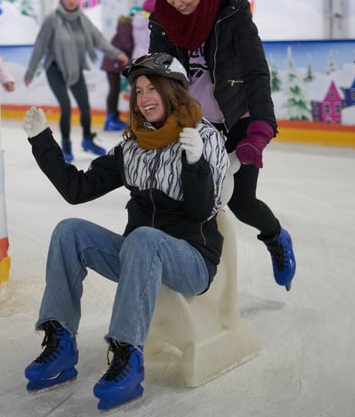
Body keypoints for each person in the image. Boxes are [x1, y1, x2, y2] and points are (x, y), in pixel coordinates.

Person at [20, 52, 229, 411]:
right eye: (138, 90)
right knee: (69, 232)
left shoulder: (203, 138)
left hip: (191, 260)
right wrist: (42, 142)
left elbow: (201, 212)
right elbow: (77, 191)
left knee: (144, 238)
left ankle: (127, 355)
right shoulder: (132, 146)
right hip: (138, 255)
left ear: (174, 91)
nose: (144, 97)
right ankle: (60, 343)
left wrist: (195, 167)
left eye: (153, 89)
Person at [148, 0, 296, 291]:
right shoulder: (161, 18)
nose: (175, 2)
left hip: (236, 116)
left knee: (242, 202)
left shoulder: (232, 10)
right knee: (192, 204)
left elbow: (256, 69)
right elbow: (160, 76)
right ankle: (199, 281)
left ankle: (275, 236)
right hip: (196, 124)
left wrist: (260, 126)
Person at [23, 0, 129, 162]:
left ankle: (87, 139)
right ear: (61, 0)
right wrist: (30, 71)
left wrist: (116, 53)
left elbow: (99, 40)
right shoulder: (52, 19)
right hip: (55, 68)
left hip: (75, 68)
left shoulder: (82, 19)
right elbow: (40, 46)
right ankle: (66, 144)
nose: (71, 0)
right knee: (65, 106)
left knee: (85, 106)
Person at [100, 14, 134, 131]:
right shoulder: (126, 27)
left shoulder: (122, 27)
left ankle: (113, 118)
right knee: (114, 90)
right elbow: (127, 44)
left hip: (112, 62)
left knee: (115, 89)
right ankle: (110, 120)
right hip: (113, 63)